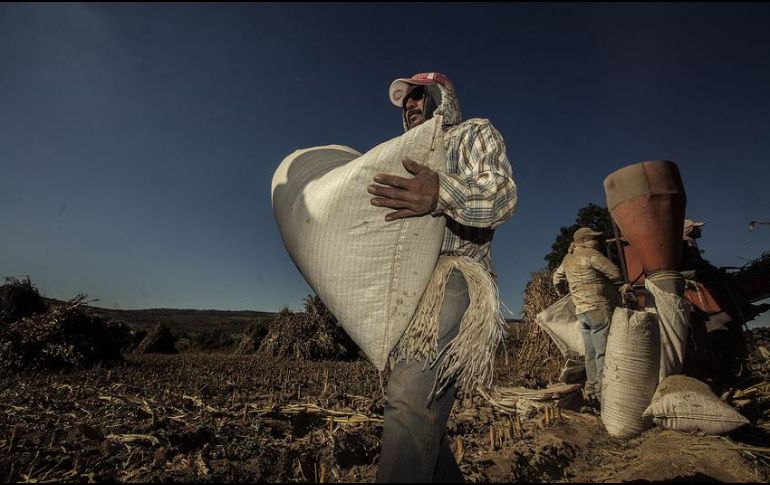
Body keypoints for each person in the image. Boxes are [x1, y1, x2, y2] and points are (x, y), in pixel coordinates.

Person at [368, 72, 517, 483]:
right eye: (405, 102)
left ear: (442, 97)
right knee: (421, 413)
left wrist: (439, 193)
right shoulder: (400, 155)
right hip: (408, 291)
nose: (410, 105)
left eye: (418, 96)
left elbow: (500, 195)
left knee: (410, 397)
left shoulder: (473, 132)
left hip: (452, 276)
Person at [552, 227, 621, 408]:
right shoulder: (591, 255)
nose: (597, 242)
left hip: (581, 311)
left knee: (590, 354)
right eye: (594, 239)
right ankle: (603, 394)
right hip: (598, 308)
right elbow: (615, 273)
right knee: (603, 352)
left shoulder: (568, 258)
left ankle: (591, 391)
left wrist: (564, 293)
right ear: (586, 240)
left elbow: (556, 278)